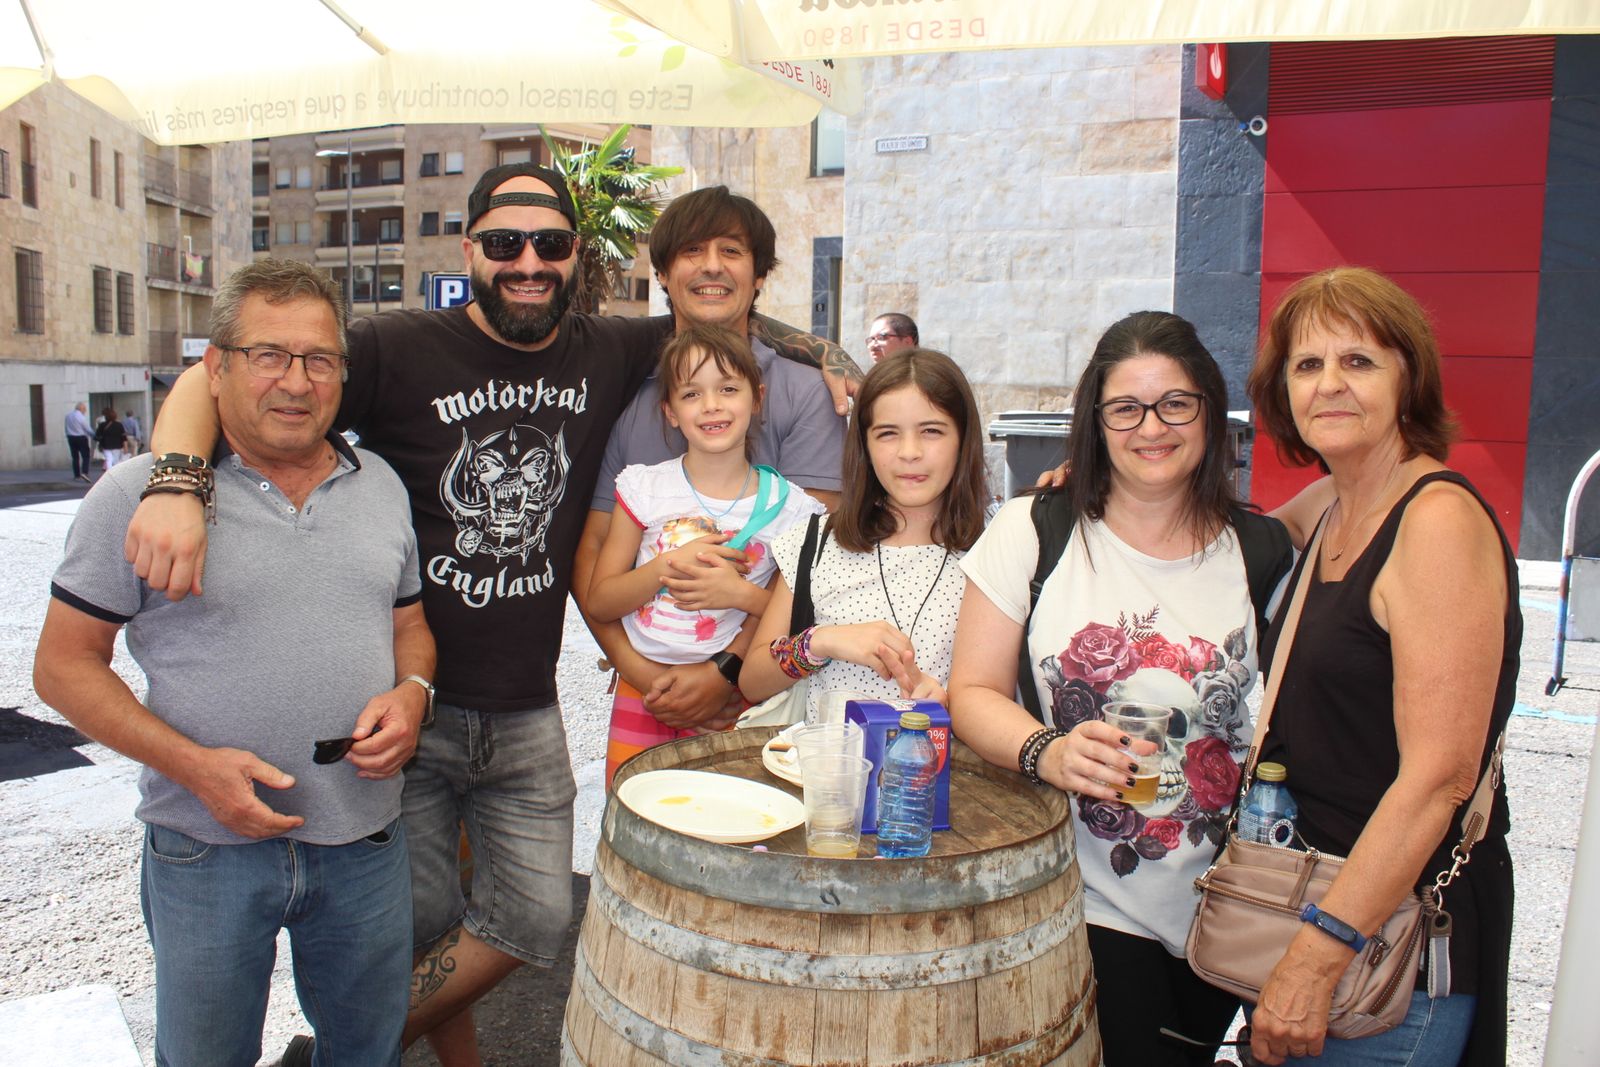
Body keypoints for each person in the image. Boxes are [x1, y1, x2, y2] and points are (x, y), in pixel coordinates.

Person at [127, 164, 861, 1066]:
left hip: (523, 706)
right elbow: (230, 374)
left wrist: (833, 356)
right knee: (423, 918)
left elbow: (710, 317)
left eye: (549, 244)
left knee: (538, 911)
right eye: (505, 242)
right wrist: (175, 480)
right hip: (408, 703)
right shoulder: (399, 346)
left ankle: (352, 1042)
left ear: (573, 256)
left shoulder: (605, 349)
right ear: (468, 248)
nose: (527, 262)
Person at [32, 260, 433, 1067]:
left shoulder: (380, 484)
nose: (296, 381)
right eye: (268, 355)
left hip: (364, 838)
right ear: (214, 368)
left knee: (368, 1052)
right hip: (204, 845)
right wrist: (193, 766)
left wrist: (414, 692)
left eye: (320, 359)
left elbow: (411, 623)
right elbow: (63, 666)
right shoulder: (142, 496)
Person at [946, 311, 1299, 1066]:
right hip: (1077, 901)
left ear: (1210, 411)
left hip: (1220, 915)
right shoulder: (1034, 528)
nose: (1152, 427)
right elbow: (970, 690)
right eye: (1125, 408)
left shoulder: (1263, 552)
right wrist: (1048, 749)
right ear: (1096, 422)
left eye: (1176, 403)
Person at [1240, 267, 1519, 1067]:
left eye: (1358, 361)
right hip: (1319, 911)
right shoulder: (1333, 501)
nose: (1330, 383)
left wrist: (1318, 954)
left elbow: (1439, 776)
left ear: (1409, 377)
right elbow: (1212, 532)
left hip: (1387, 952)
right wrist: (1087, 485)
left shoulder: (1435, 521)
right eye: (1307, 364)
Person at [573, 185, 849, 749]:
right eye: (693, 251)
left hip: (768, 690)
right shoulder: (636, 398)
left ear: (760, 275)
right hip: (650, 686)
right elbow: (595, 556)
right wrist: (647, 676)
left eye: (732, 250)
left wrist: (724, 671)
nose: (712, 267)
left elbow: (820, 569)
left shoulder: (804, 394)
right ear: (665, 274)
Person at [589, 324, 825, 784]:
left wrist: (739, 594)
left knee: (728, 820)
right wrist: (664, 567)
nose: (712, 405)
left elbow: (799, 622)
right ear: (670, 411)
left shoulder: (791, 508)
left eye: (728, 389)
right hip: (644, 695)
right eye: (692, 393)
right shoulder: (645, 489)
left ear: (757, 399)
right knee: (636, 811)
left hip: (736, 700)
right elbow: (601, 601)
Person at [740, 348, 989, 716]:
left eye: (932, 431)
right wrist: (821, 641)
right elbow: (752, 681)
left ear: (963, 439)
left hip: (939, 769)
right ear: (865, 445)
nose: (909, 452)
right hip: (823, 768)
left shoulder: (995, 552)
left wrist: (950, 706)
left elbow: (1001, 693)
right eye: (887, 434)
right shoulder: (818, 543)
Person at [65, 401, 92, 481]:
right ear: (82, 409)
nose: (85, 411)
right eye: (85, 409)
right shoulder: (81, 417)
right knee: (85, 456)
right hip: (81, 437)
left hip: (71, 437)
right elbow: (87, 429)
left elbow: (66, 427)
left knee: (75, 457)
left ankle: (76, 475)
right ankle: (84, 472)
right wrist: (94, 436)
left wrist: (68, 435)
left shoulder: (68, 416)